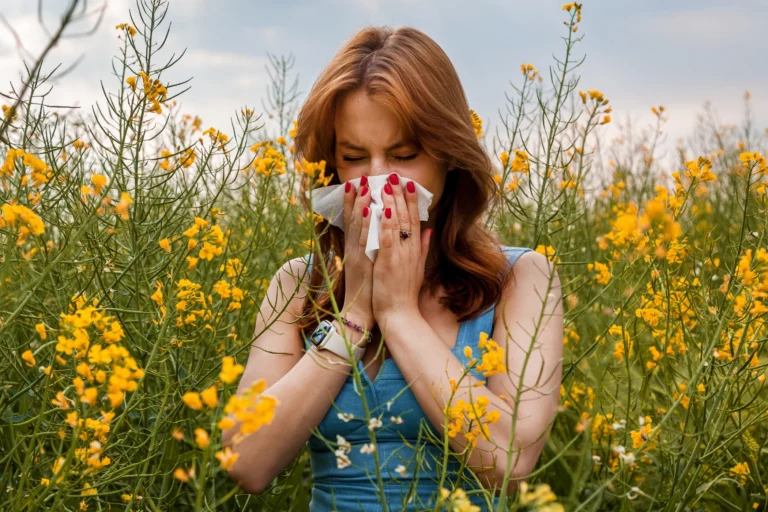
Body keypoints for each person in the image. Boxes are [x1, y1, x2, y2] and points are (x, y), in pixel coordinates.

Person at [223, 25, 564, 511]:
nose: (378, 181)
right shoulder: (300, 283)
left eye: (404, 155)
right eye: (354, 157)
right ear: (331, 165)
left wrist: (401, 315)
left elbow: (509, 463)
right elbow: (246, 463)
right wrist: (355, 315)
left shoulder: (520, 279)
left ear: (448, 156)